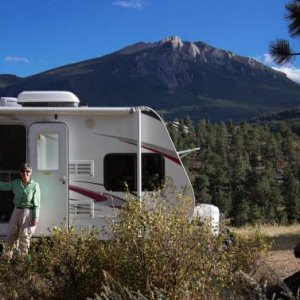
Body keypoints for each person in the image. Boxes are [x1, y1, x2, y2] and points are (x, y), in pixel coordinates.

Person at [0, 163, 40, 258]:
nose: (25, 173)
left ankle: (22, 261)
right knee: (11, 234)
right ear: (20, 173)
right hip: (16, 210)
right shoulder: (16, 183)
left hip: (28, 212)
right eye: (23, 171)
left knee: (24, 236)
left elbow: (37, 204)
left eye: (27, 171)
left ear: (31, 173)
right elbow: (4, 186)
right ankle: (8, 259)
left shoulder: (35, 185)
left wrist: (35, 217)